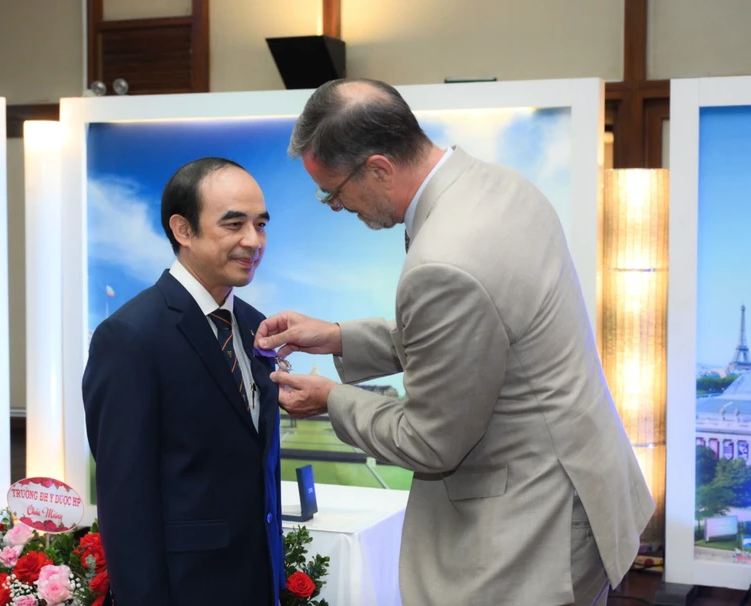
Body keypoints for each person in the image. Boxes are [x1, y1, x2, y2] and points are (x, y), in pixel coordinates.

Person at [254, 79, 654, 606]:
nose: (333, 206)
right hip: (579, 489)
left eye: (333, 190)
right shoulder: (496, 185)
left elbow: (429, 441)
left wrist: (331, 400)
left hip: (531, 525)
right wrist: (336, 338)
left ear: (378, 168)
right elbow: (480, 336)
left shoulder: (444, 261)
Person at [83, 157, 285, 605]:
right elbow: (125, 500)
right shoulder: (130, 336)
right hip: (185, 588)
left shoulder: (254, 326)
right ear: (183, 229)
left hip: (257, 581)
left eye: (261, 224)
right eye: (234, 224)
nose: (253, 241)